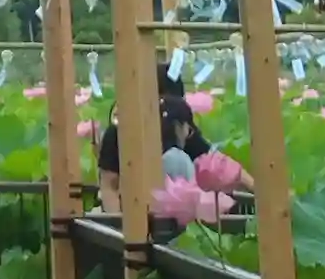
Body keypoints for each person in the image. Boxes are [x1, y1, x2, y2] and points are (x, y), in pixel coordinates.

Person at [94, 67, 238, 214]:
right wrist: (119, 220)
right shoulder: (119, 131)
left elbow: (219, 164)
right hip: (141, 216)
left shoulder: (183, 133)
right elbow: (110, 185)